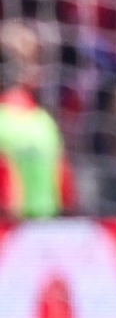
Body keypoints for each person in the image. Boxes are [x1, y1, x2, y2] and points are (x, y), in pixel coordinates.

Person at [0, 21, 70, 221]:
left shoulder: (44, 120)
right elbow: (65, 188)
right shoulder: (44, 122)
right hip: (44, 227)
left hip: (17, 229)